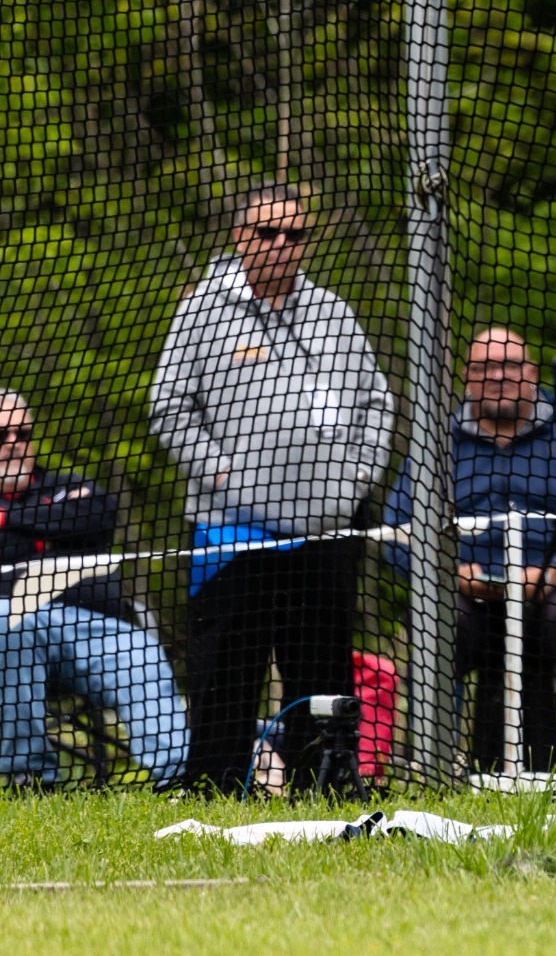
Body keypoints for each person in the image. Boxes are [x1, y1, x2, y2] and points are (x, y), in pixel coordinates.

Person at [150, 182, 393, 793]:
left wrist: (357, 476)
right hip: (234, 532)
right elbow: (169, 409)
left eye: (295, 235)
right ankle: (215, 788)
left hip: (326, 528)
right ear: (240, 236)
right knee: (229, 668)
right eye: (267, 233)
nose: (281, 246)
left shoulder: (332, 311)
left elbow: (376, 401)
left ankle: (325, 786)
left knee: (320, 666)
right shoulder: (203, 310)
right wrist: (224, 475)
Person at [385, 328, 556, 790]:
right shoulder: (434, 444)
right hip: (466, 593)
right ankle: (434, 777)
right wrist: (449, 573)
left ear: (532, 375)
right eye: (485, 368)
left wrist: (554, 572)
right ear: (467, 378)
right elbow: (396, 534)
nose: (499, 377)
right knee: (438, 620)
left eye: (511, 367)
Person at [0, 390, 188, 787]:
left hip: (97, 627)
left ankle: (180, 779)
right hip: (12, 631)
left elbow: (98, 516)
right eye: (3, 436)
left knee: (140, 651)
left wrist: (9, 519)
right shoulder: (61, 498)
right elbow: (68, 525)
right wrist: (51, 528)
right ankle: (29, 777)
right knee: (8, 624)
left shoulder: (67, 482)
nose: (16, 444)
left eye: (24, 433)